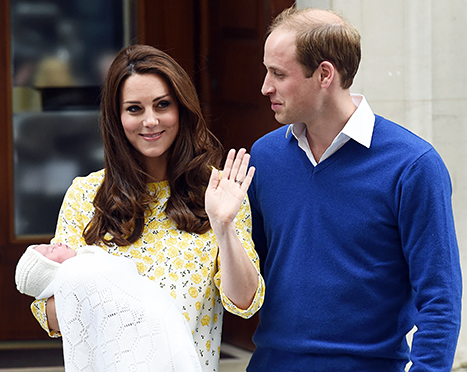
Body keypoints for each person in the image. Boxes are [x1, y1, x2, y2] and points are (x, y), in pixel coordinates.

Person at [247, 7, 462, 372]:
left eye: (278, 74)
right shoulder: (265, 156)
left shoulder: (413, 166)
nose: (265, 86)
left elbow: (440, 297)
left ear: (324, 74)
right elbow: (250, 274)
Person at [28, 44, 264, 372]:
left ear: (181, 108)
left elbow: (244, 303)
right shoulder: (85, 195)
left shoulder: (220, 192)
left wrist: (223, 227)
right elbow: (50, 314)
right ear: (117, 117)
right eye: (134, 109)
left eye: (162, 105)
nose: (150, 121)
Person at [16, 243, 202, 372]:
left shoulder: (88, 261)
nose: (55, 244)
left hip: (158, 317)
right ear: (49, 271)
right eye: (49, 251)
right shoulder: (75, 273)